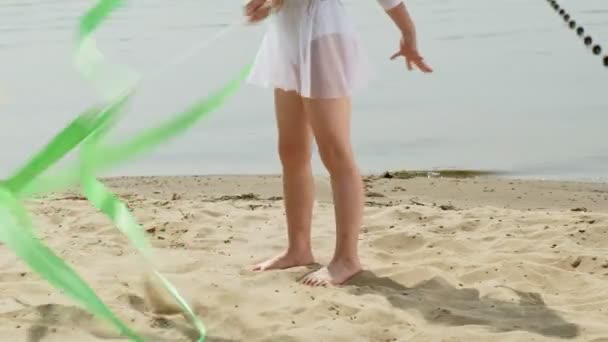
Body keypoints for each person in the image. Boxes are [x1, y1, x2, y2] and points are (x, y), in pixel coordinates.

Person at [244, 0, 432, 286]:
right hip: (285, 38)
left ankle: (347, 258)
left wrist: (409, 35)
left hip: (323, 37)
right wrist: (266, 6)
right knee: (291, 151)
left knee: (335, 151)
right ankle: (298, 249)